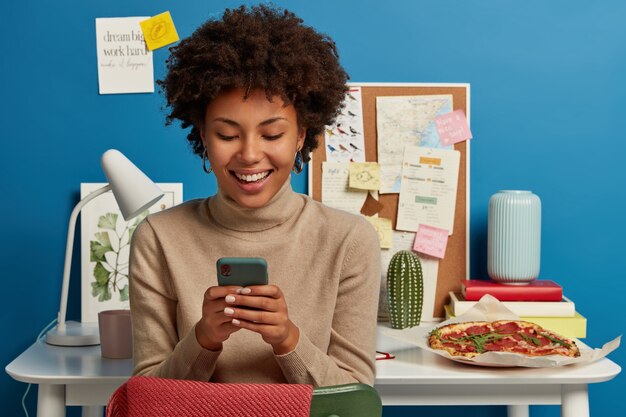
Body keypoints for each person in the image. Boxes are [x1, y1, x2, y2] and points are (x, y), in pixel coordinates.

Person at [129, 4, 381, 387]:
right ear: (202, 136)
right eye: (227, 135)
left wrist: (287, 339)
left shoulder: (348, 241)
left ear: (300, 135)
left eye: (272, 134)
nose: (248, 154)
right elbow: (147, 396)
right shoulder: (158, 239)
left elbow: (354, 399)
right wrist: (204, 339)